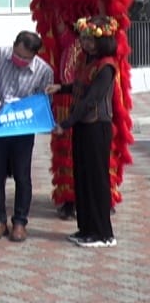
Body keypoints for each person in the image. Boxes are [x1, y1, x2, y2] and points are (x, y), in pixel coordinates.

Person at [0, 30, 53, 242]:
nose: (20, 60)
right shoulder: (0, 54)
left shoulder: (44, 71)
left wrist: (25, 105)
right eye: (17, 54)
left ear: (35, 55)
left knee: (22, 175)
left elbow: (44, 102)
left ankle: (20, 222)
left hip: (22, 129)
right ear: (13, 46)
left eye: (25, 58)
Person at [49, 16, 118, 248]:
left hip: (96, 126)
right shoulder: (86, 60)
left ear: (103, 40)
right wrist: (61, 87)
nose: (86, 43)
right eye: (84, 39)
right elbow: (79, 87)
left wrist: (66, 123)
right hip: (82, 126)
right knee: (82, 177)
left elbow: (91, 100)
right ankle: (86, 228)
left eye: (90, 39)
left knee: (96, 180)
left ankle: (102, 233)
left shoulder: (106, 66)